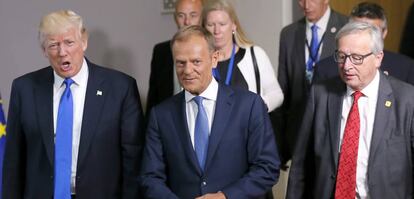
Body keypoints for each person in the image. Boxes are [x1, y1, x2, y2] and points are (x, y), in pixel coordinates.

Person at [2, 10, 144, 199]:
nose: (62, 52)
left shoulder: (120, 88)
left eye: (69, 42)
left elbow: (133, 161)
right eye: (53, 45)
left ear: (84, 42)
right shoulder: (24, 89)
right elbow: (13, 162)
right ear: (44, 50)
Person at [139, 25, 280, 199]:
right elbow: (150, 177)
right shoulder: (161, 115)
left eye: (196, 61)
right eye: (181, 63)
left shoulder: (249, 106)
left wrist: (224, 196)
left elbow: (267, 168)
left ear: (214, 59)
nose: (187, 70)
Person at [287, 21, 414, 199]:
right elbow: (300, 164)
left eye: (356, 58)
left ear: (378, 58)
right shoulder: (320, 94)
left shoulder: (407, 99)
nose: (346, 66)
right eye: (341, 56)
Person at [275, 0, 348, 167]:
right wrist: (280, 147)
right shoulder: (289, 33)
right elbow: (283, 90)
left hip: (334, 131)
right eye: (301, 0)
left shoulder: (346, 26)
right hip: (298, 133)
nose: (306, 5)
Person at [202, 0, 283, 112]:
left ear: (234, 25)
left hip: (248, 127)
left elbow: (276, 94)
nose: (217, 31)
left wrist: (255, 109)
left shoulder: (255, 54)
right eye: (211, 25)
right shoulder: (200, 61)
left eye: (222, 24)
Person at [314, 2, 414, 85]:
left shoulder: (405, 68)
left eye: (372, 31)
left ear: (384, 33)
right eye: (357, 29)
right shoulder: (324, 70)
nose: (363, 37)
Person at [146, 0, 203, 114]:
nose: (187, 21)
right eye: (181, 15)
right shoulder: (161, 51)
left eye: (193, 15)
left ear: (202, 17)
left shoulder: (212, 49)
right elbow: (153, 98)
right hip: (168, 121)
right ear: (175, 18)